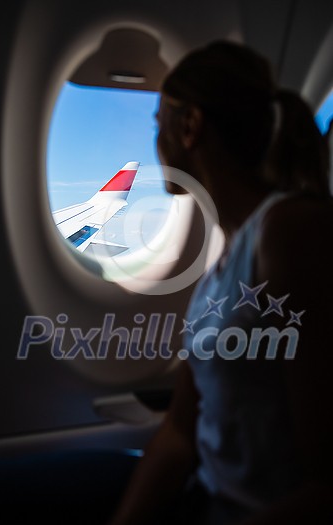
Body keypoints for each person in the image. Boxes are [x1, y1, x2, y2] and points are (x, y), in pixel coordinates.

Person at [108, 40, 333, 525]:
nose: (154, 142)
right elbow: (179, 433)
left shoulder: (289, 231)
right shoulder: (218, 269)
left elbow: (328, 483)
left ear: (190, 127)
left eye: (157, 125)